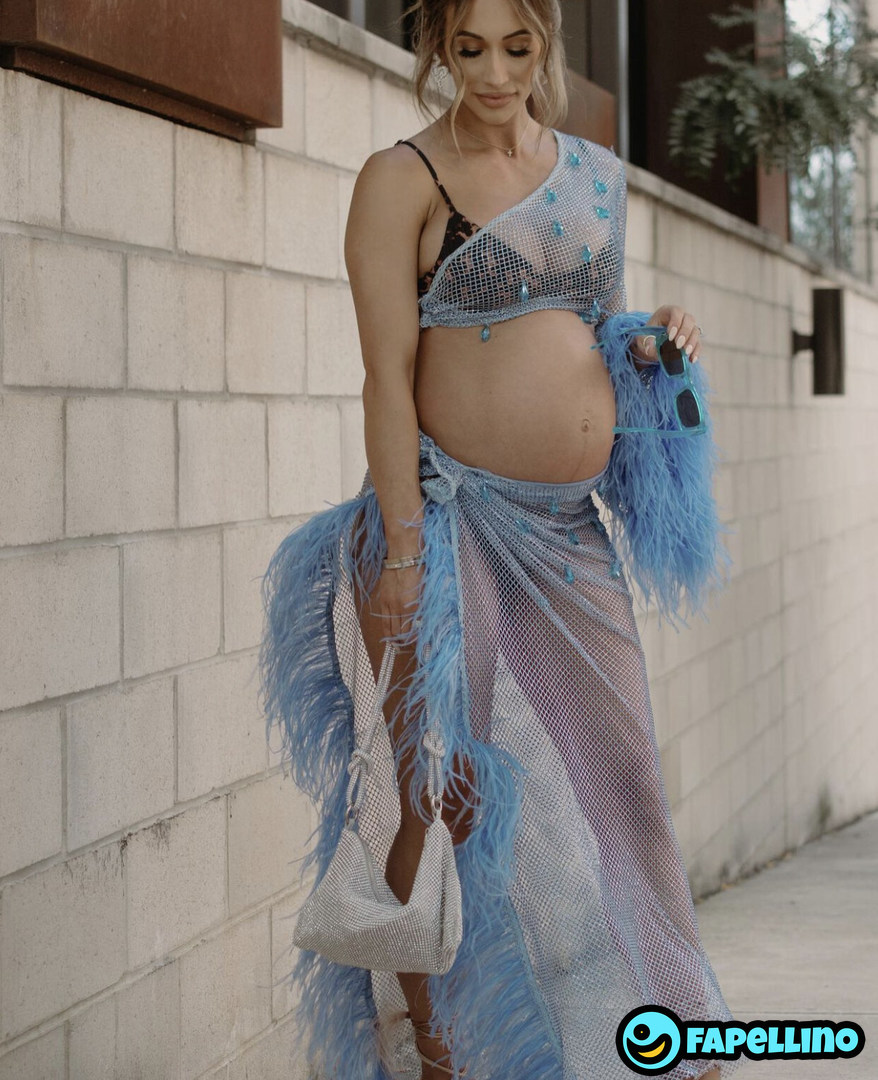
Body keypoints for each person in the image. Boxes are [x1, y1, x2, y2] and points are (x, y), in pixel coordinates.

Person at [259, 1, 746, 1078]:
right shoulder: (402, 179)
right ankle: (435, 1048)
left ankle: (676, 1032)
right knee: (434, 791)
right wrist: (399, 551)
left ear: (546, 44)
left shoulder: (594, 177)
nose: (490, 73)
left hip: (566, 536)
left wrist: (652, 342)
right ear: (438, 47)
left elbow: (594, 332)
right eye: (467, 49)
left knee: (623, 772)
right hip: (443, 521)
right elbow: (385, 379)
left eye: (515, 49)